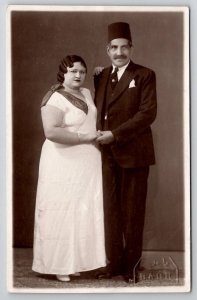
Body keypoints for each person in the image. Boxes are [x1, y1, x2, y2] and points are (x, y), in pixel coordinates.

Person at [32, 55, 106, 282]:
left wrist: (99, 75)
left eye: (82, 71)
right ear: (63, 73)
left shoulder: (85, 93)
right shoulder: (54, 98)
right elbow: (52, 132)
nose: (78, 75)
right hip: (62, 162)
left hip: (86, 163)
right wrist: (85, 137)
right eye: (73, 71)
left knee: (81, 211)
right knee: (62, 210)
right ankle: (59, 264)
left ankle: (76, 262)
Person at [94, 22, 157, 282]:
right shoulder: (101, 76)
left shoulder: (144, 75)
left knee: (132, 212)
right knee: (110, 210)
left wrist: (115, 134)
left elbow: (148, 113)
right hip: (107, 155)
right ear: (108, 50)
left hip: (134, 154)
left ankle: (131, 267)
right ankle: (114, 264)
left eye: (124, 47)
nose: (119, 52)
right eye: (114, 48)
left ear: (131, 48)